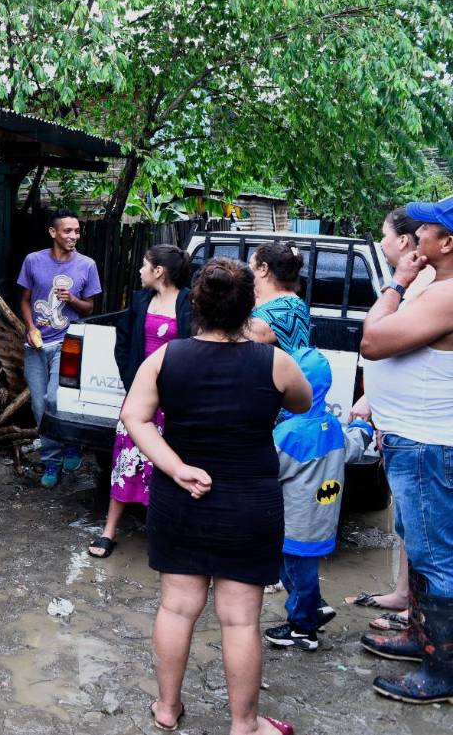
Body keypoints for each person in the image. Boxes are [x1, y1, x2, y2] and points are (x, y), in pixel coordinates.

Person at [122, 257, 311, 735]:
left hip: (180, 499)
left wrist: (177, 468)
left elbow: (134, 417)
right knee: (240, 621)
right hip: (250, 504)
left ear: (196, 307)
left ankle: (167, 709)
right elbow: (302, 401)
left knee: (176, 607)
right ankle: (244, 724)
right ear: (250, 307)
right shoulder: (274, 362)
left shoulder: (165, 358)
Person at [358, 194, 453, 704]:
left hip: (427, 444)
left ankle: (443, 671)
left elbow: (372, 341)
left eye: (429, 229)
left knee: (436, 557)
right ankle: (422, 637)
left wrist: (396, 282)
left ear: (448, 243)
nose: (418, 235)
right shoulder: (436, 286)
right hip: (416, 439)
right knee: (421, 547)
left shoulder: (447, 294)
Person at [345, 207, 436, 627]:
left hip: (423, 432)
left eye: (384, 234)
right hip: (406, 426)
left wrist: (397, 284)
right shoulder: (423, 283)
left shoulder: (430, 287)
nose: (381, 242)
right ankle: (407, 599)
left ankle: (424, 627)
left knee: (426, 536)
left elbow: (377, 342)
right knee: (410, 525)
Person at [264, 347, 372, 651]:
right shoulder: (331, 425)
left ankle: (302, 628)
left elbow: (266, 468)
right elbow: (353, 448)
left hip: (295, 521)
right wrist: (362, 427)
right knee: (295, 570)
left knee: (297, 572)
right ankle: (316, 606)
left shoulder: (290, 432)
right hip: (321, 518)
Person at [89, 245, 192, 559]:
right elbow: (122, 344)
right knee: (124, 462)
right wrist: (134, 384)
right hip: (139, 399)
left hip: (174, 402)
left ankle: (164, 533)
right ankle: (109, 531)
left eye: (145, 265)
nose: (140, 270)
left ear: (159, 270)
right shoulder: (140, 301)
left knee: (166, 466)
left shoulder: (190, 304)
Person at [17, 208, 102, 488]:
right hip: (36, 344)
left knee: (55, 398)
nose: (74, 236)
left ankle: (71, 445)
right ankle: (51, 460)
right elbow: (25, 300)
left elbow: (90, 307)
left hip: (68, 342)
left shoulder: (87, 265)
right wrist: (30, 327)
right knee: (39, 405)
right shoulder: (33, 261)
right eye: (68, 231)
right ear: (53, 232)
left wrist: (73, 299)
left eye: (77, 231)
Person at [248, 242, 310, 354]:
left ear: (263, 268)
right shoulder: (290, 303)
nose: (246, 270)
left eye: (250, 264)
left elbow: (231, 338)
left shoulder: (285, 311)